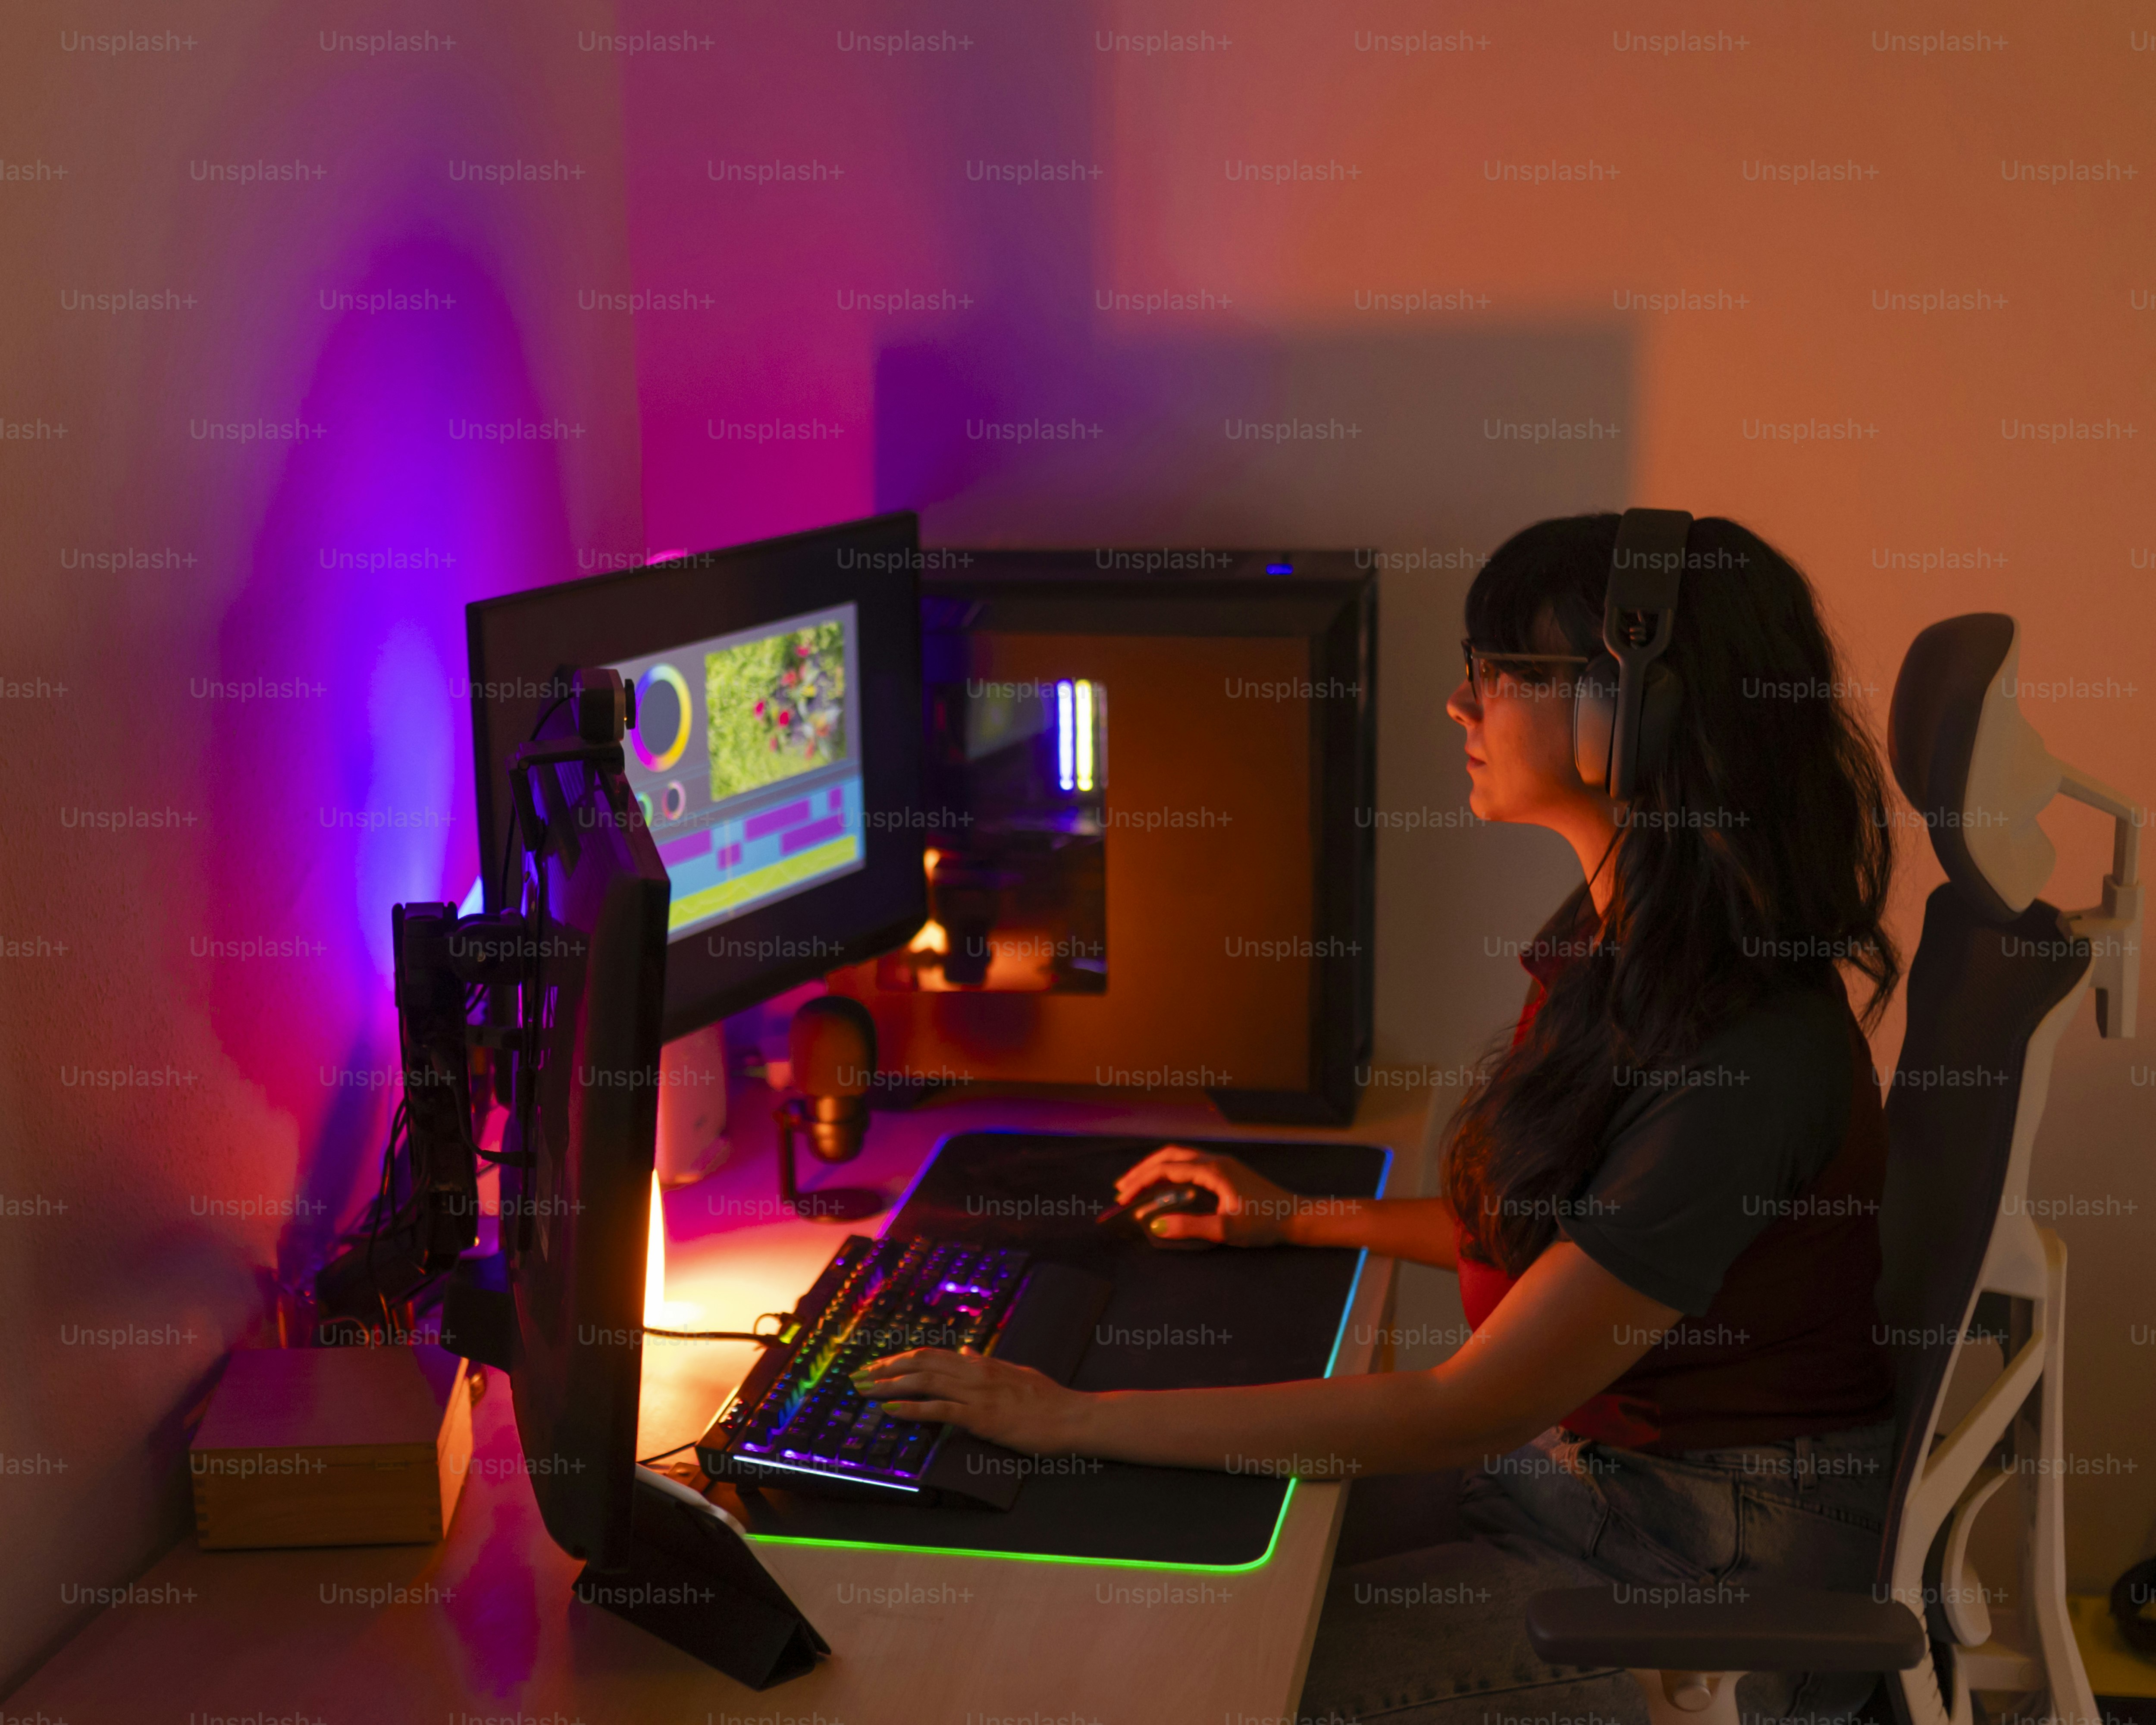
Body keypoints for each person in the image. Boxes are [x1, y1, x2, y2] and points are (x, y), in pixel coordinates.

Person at [855, 513, 1905, 1725]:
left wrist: (1067, 1413)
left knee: (1215, 1686)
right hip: (1599, 1483)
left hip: (1702, 1568)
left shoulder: (1745, 1051)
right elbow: (1558, 1240)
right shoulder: (1633, 943)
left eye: (1502, 673)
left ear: (1632, 712)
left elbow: (1466, 1405)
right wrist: (1301, 1219)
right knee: (1139, 1567)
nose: (1462, 707)